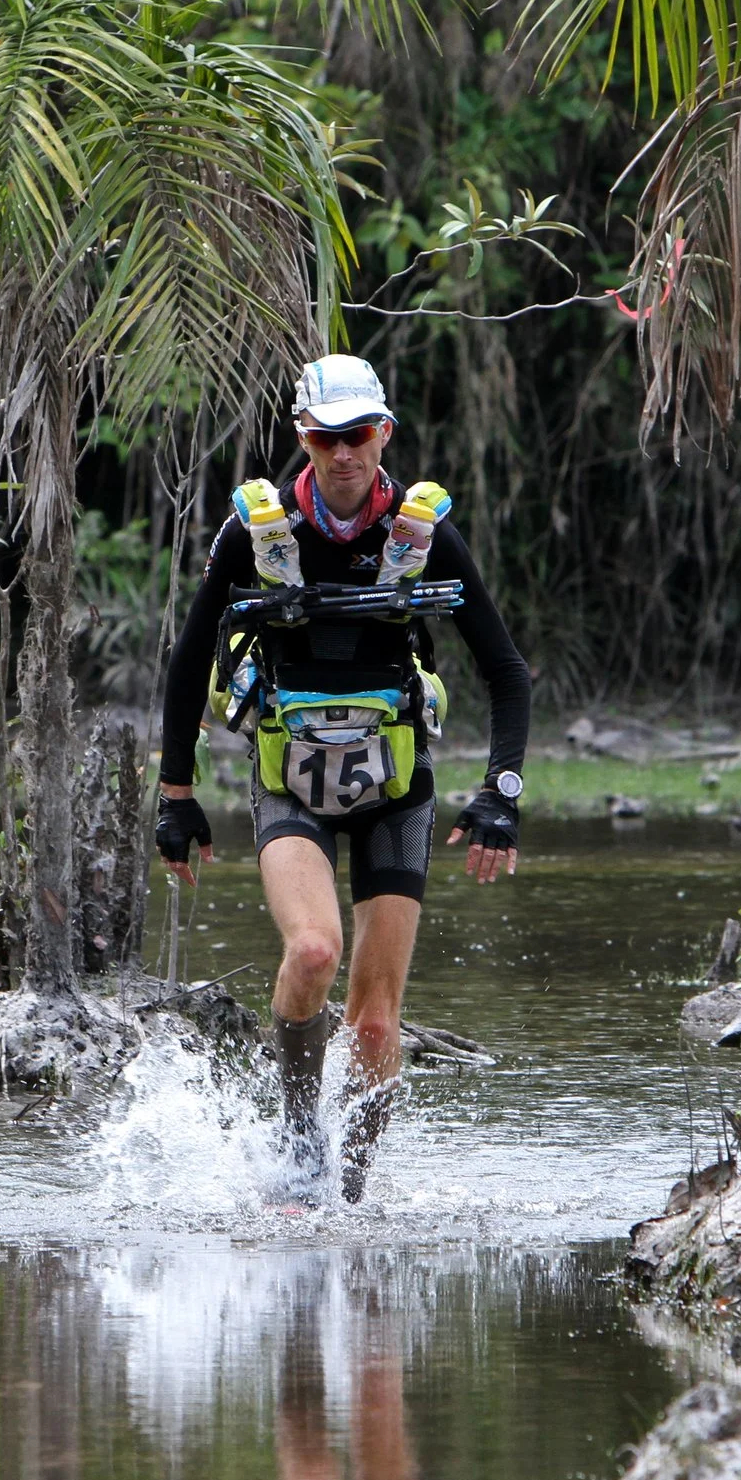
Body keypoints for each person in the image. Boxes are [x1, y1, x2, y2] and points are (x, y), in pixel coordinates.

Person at [155, 354, 531, 1202]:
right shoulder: (256, 532)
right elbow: (187, 662)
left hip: (397, 786)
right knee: (314, 950)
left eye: (358, 435)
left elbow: (508, 670)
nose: (344, 455)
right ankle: (297, 1152)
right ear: (303, 440)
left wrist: (500, 792)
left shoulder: (424, 533)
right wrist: (176, 796)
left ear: (383, 433)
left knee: (372, 1022)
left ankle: (351, 1194)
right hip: (290, 780)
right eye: (326, 438)